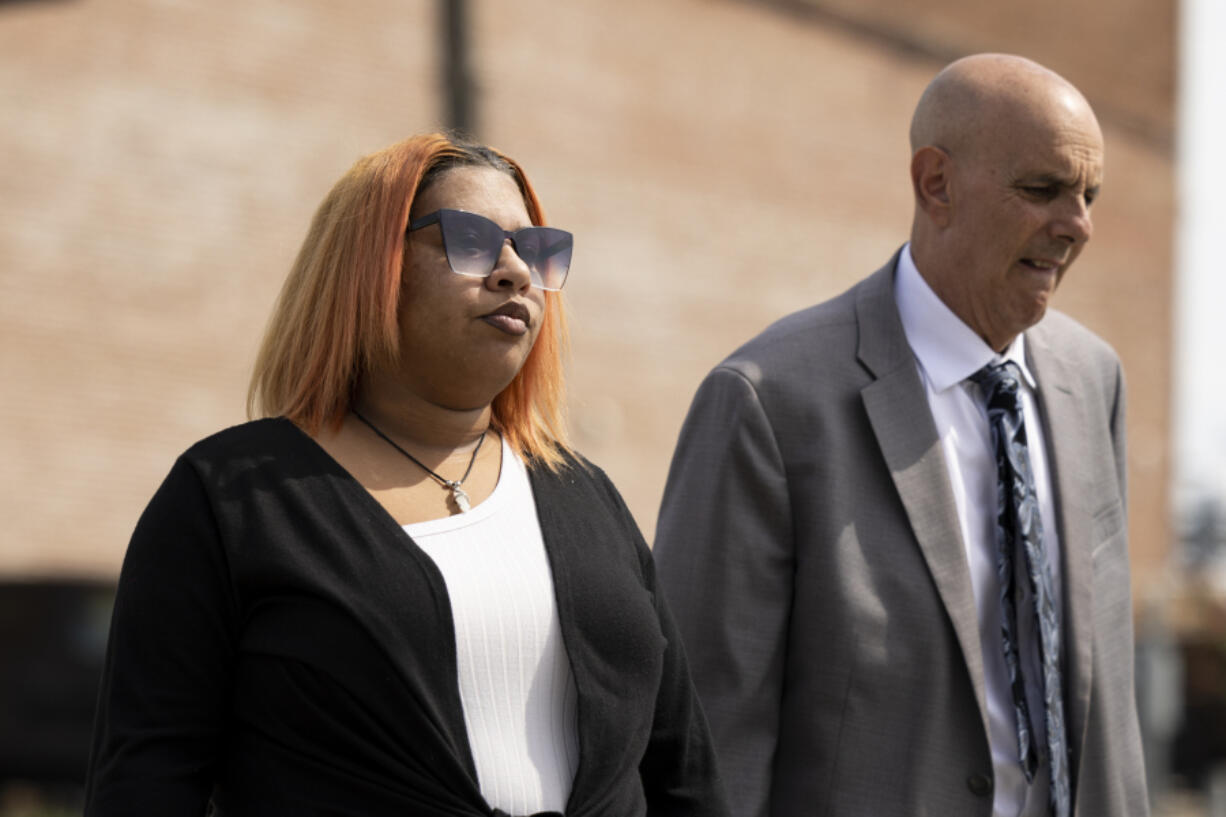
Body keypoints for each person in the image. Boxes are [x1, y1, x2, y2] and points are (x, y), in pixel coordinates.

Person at [85, 133, 729, 817]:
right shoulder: (232, 497)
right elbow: (147, 779)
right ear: (371, 264)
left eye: (535, 250)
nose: (514, 271)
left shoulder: (587, 494)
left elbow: (682, 769)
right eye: (472, 239)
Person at [653, 54, 1147, 817]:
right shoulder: (766, 402)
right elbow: (711, 741)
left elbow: (1107, 701)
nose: (1076, 225)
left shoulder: (1093, 380)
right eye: (1041, 189)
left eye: (1088, 195)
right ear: (936, 184)